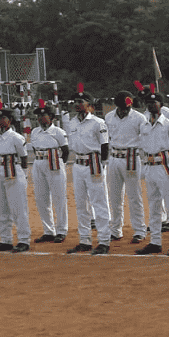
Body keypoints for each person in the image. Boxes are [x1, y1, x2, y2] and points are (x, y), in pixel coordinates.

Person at [134, 87, 169, 256]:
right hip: (150, 166)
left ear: (161, 105)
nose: (151, 105)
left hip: (164, 166)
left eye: (154, 102)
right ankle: (155, 241)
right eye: (148, 102)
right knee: (154, 206)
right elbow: (142, 147)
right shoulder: (144, 125)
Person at [65, 84, 114, 255]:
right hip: (78, 163)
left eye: (81, 101)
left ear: (90, 105)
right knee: (81, 204)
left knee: (99, 203)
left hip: (94, 163)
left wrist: (102, 165)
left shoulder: (98, 122)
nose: (77, 104)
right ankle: (84, 240)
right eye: (75, 101)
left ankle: (104, 240)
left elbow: (105, 146)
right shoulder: (71, 122)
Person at [0, 98, 32, 253]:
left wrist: (25, 176)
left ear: (10, 120)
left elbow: (24, 157)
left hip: (13, 170)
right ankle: (5, 239)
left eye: (3, 118)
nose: (0, 121)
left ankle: (23, 240)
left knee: (18, 207)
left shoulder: (16, 137)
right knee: (1, 207)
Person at [105, 90, 148, 243]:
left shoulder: (139, 118)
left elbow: (144, 138)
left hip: (131, 157)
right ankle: (115, 230)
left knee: (134, 196)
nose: (125, 110)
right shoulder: (109, 117)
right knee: (115, 196)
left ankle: (139, 230)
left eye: (127, 107)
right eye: (123, 107)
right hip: (114, 157)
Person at [30, 99, 70, 244]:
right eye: (39, 116)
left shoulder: (58, 132)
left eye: (44, 115)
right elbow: (35, 149)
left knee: (59, 197)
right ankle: (48, 230)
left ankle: (61, 230)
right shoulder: (35, 132)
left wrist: (60, 164)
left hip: (54, 163)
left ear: (51, 117)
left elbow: (65, 151)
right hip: (39, 162)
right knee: (41, 198)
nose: (41, 118)